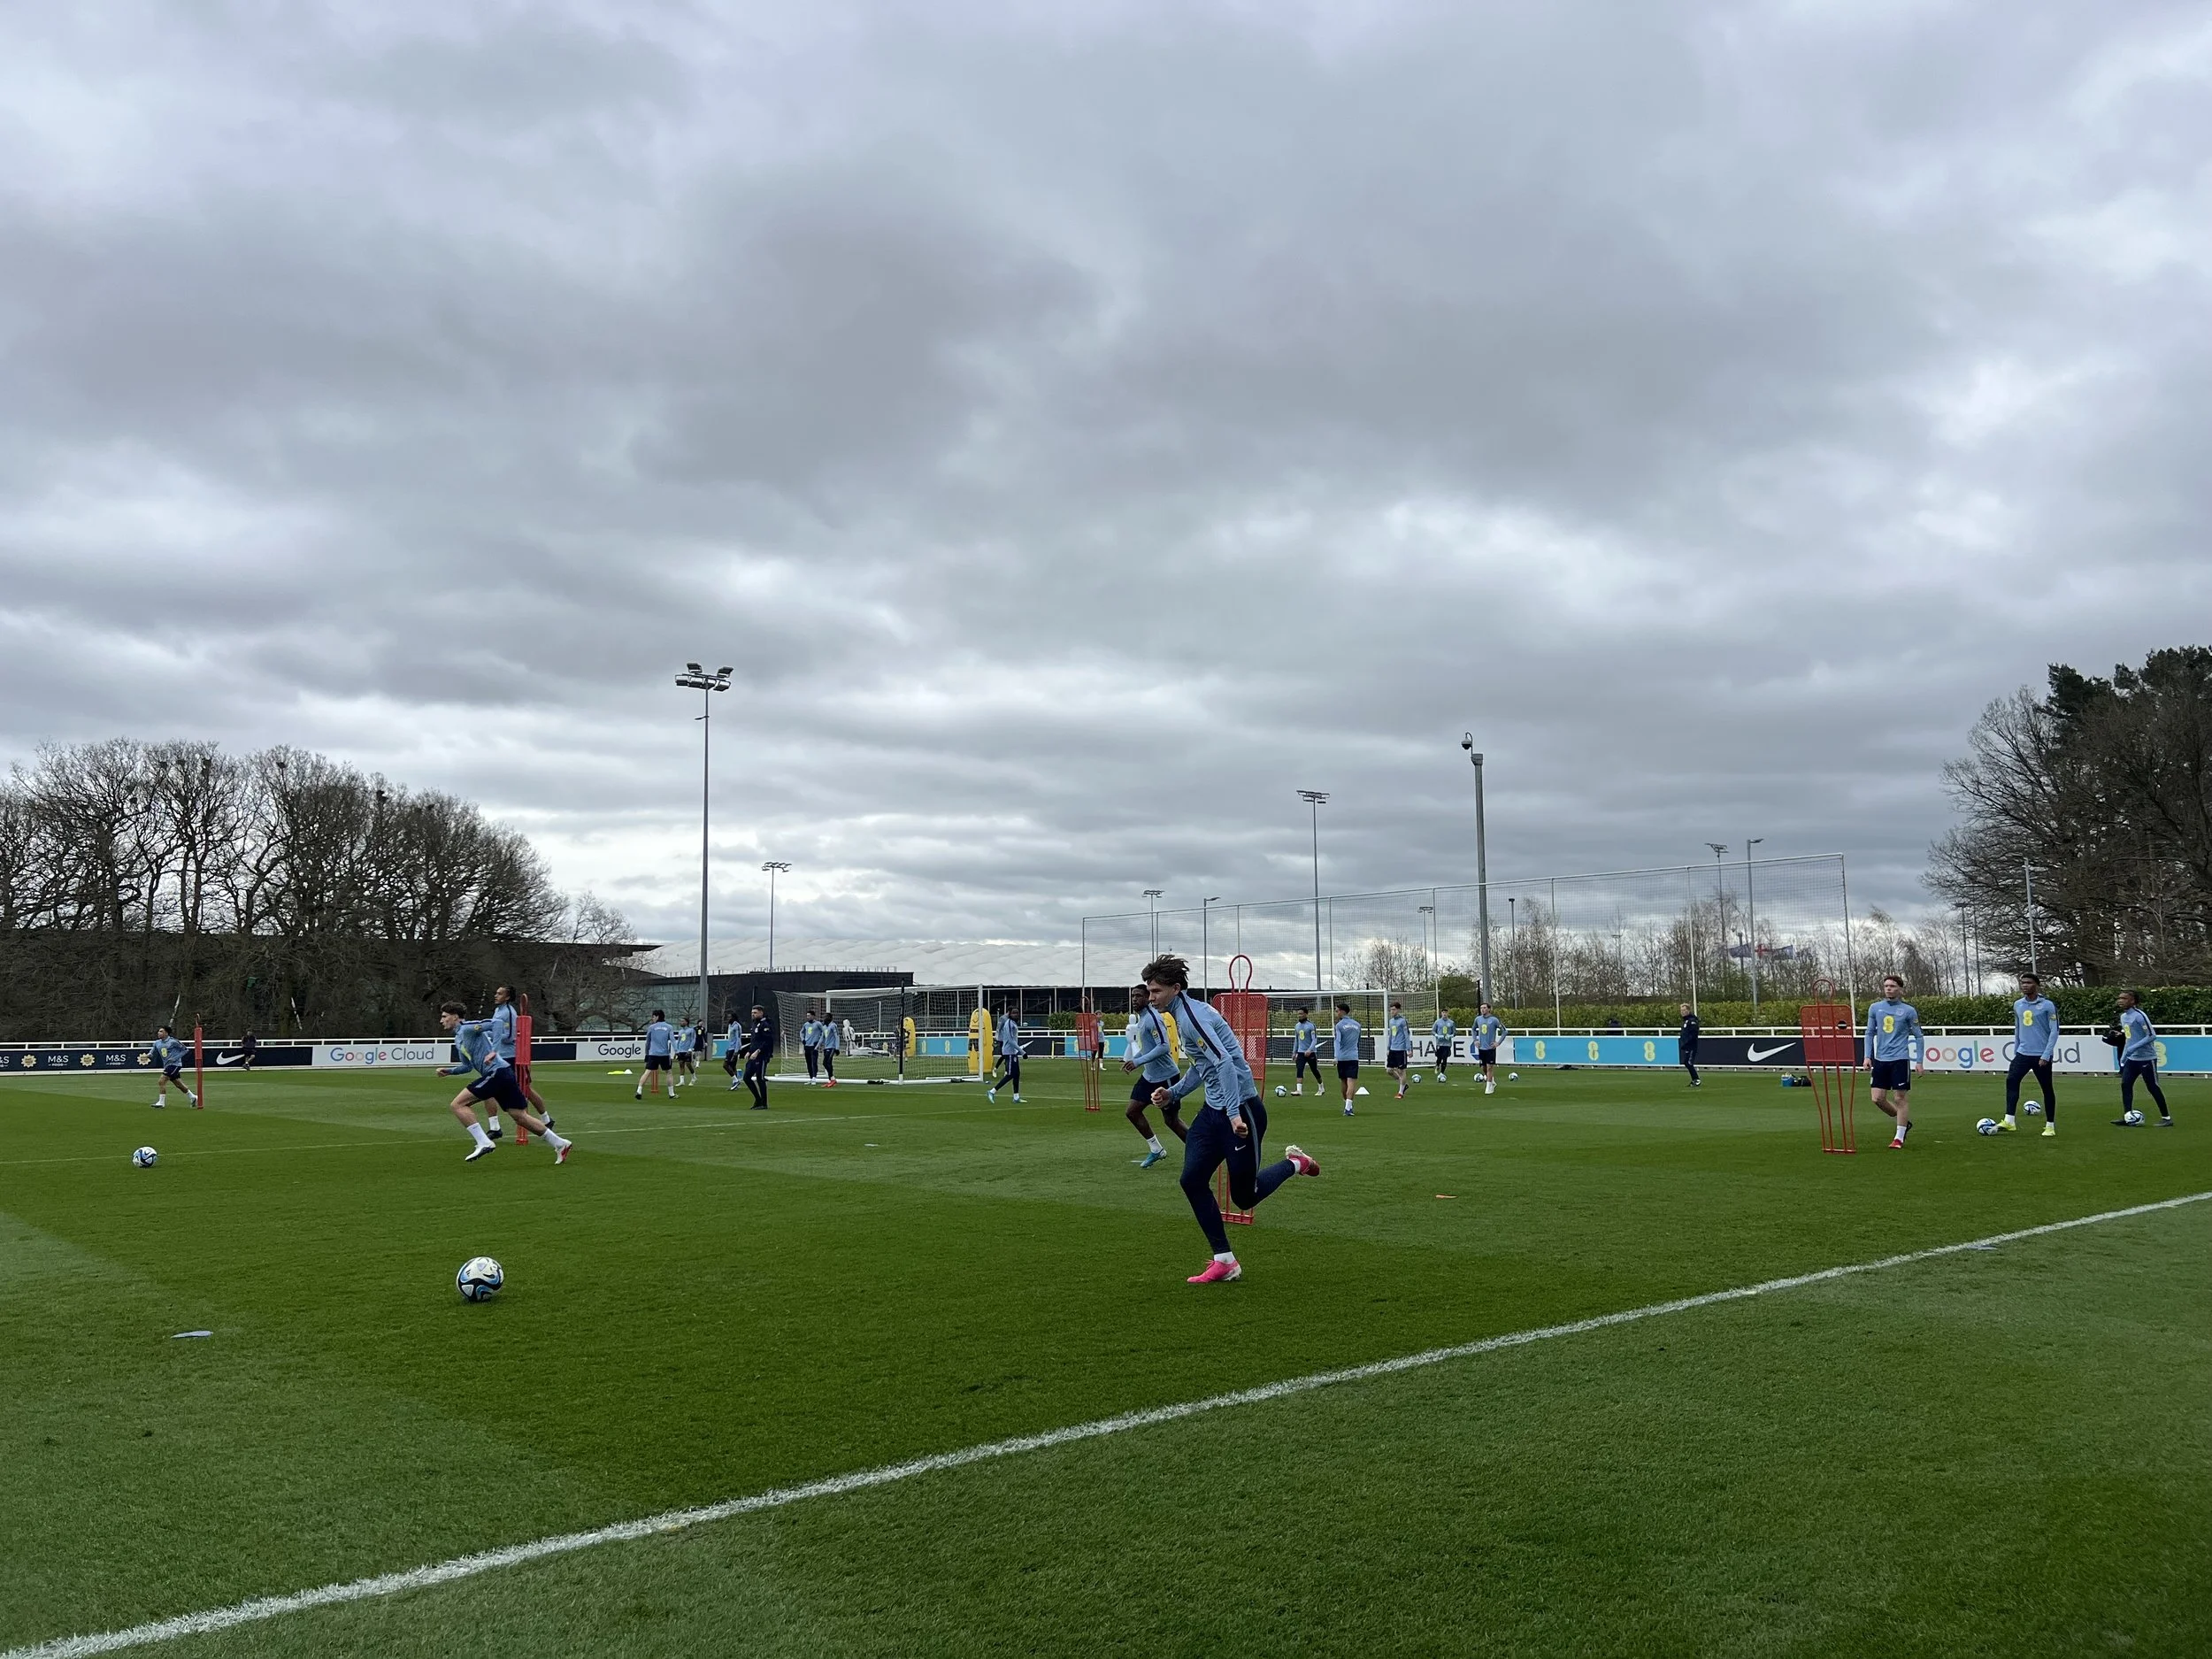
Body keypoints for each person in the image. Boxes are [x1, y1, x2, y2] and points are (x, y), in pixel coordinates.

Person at [1142, 955, 1319, 1283]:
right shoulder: (1183, 1013)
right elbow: (1204, 1066)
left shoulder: (1192, 1018)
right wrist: (1173, 1094)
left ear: (1175, 989)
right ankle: (1224, 1260)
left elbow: (1224, 1063)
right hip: (1213, 1113)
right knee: (1192, 1180)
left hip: (1242, 1111)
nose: (1151, 998)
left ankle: (1296, 1163)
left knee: (1244, 1197)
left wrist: (1234, 1113)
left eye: (1156, 991)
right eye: (1149, 991)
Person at [438, 1002, 571, 1164]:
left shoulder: (468, 1028)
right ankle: (560, 1143)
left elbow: (497, 1023)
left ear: (455, 1017)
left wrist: (494, 1051)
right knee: (520, 1116)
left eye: (444, 1016)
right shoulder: (459, 1038)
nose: (441, 1020)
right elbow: (467, 1066)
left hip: (498, 1073)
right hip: (503, 1074)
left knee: (458, 1105)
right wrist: (449, 1071)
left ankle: (484, 1142)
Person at [1121, 984, 1187, 1167]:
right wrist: (1134, 1060)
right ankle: (1156, 1149)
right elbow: (1148, 1048)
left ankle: (1199, 1151)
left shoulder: (1152, 1018)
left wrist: (1138, 1062)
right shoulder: (1142, 1019)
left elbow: (1164, 1046)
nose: (1135, 999)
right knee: (1132, 1112)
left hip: (1166, 1077)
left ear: (1147, 997)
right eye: (1133, 996)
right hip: (1149, 1077)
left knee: (1171, 1121)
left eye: (1138, 996)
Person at [487, 985, 554, 1137]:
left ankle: (546, 1119)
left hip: (510, 1057)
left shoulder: (509, 1012)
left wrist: (492, 1034)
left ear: (507, 997)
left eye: (499, 994)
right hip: (497, 1056)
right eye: (496, 993)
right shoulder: (498, 1011)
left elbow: (510, 1037)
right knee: (488, 1090)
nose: (496, 996)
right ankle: (494, 1127)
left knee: (525, 1089)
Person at [1864, 974, 1924, 1148]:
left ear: (1900, 989)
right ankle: (1903, 1122)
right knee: (1877, 1099)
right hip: (1880, 1059)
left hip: (1900, 1059)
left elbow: (1918, 1036)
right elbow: (1869, 1033)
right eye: (1886, 986)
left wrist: (1919, 1061)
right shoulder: (1875, 1008)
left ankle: (1899, 1137)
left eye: (1892, 986)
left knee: (1899, 1098)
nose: (1889, 989)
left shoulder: (1908, 1011)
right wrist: (1867, 1056)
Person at [1997, 972, 2059, 1133]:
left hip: (2041, 1055)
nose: (2025, 985)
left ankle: (2050, 1126)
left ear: (2036, 985)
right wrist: (2016, 1050)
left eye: (2029, 982)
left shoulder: (2047, 1005)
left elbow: (2054, 1031)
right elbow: (2018, 1028)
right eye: (2023, 982)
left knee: (2047, 1088)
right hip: (2023, 1053)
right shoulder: (2018, 1004)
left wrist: (2046, 1054)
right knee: (2011, 1080)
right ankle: (2009, 1121)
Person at [2109, 990, 2173, 1127]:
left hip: (2147, 1058)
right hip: (2132, 1059)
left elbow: (2151, 1036)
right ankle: (2128, 1116)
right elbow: (2129, 1037)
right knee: (2125, 1085)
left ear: (2132, 1001)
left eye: (2124, 998)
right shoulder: (2123, 1017)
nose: (2120, 1001)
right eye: (2119, 998)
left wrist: (2134, 1048)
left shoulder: (2139, 1016)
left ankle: (2166, 1117)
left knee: (2152, 1087)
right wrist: (2125, 1055)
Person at [149, 1025, 196, 1109]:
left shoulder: (173, 1042)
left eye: (161, 1031)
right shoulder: (157, 1042)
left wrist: (175, 1058)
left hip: (175, 1065)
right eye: (159, 1031)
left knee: (161, 1081)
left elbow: (185, 1050)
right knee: (178, 1084)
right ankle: (193, 1097)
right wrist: (148, 1055)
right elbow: (152, 1052)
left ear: (166, 1033)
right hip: (167, 1065)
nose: (158, 1033)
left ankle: (161, 1103)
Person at [987, 1004, 1024, 1102]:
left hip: (1013, 1052)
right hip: (1009, 1052)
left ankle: (1016, 1097)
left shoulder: (1013, 1023)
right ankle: (992, 1091)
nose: (1016, 1014)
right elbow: (1011, 1041)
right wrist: (1022, 1052)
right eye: (1014, 1013)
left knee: (1016, 1074)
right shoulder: (1009, 1024)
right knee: (1010, 1074)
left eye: (1017, 1013)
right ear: (1009, 1014)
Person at [740, 1003, 774, 1109]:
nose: (753, 1015)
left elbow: (767, 1041)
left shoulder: (765, 1024)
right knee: (746, 1077)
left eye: (755, 1013)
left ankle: (764, 1103)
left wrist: (758, 1051)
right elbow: (754, 1041)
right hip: (753, 1055)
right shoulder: (755, 1024)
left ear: (761, 1013)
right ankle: (758, 1100)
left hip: (762, 1056)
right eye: (752, 1013)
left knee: (760, 1078)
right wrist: (749, 1051)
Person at [634, 1010, 673, 1099]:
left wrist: (647, 1053)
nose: (652, 1019)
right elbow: (673, 1040)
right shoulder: (669, 1027)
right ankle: (671, 1094)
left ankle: (639, 1090)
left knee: (647, 1072)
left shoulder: (652, 1027)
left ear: (657, 1017)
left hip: (653, 1053)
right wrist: (677, 1051)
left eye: (653, 1017)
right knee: (668, 1072)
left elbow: (648, 1042)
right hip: (664, 1054)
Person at [1333, 1001, 1363, 1111]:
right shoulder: (1357, 1025)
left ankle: (1347, 1105)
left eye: (1337, 1011)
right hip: (1353, 1056)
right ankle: (1348, 1107)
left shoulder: (1339, 1025)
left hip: (1342, 1057)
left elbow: (1337, 1041)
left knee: (1343, 1081)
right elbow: (1358, 1041)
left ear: (1342, 1011)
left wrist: (1336, 1056)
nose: (1336, 1013)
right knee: (1351, 1082)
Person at [1471, 1004, 1504, 1094]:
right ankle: (1491, 1080)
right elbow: (1473, 1029)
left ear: (1489, 1009)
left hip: (1490, 1048)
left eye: (1485, 1008)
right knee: (1484, 1067)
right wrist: (1475, 1040)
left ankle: (1489, 1087)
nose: (1482, 1009)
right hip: (1481, 1048)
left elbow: (1504, 1031)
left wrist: (1498, 1043)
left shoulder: (1494, 1020)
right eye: (1481, 1008)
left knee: (1490, 1067)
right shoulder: (1478, 1019)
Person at [1290, 1006, 1322, 1095]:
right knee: (1299, 1069)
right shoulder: (1297, 1026)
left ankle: (1321, 1087)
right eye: (1298, 1014)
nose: (1299, 1015)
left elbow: (1314, 1040)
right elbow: (1297, 1040)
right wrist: (1294, 1052)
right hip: (1301, 1052)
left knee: (1314, 1070)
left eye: (1301, 1014)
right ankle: (1299, 1090)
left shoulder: (1311, 1026)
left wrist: (1309, 1050)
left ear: (1306, 1014)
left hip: (1310, 1052)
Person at [1386, 1001, 1411, 1098]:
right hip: (1392, 1049)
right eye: (1391, 1010)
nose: (1392, 1011)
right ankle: (1403, 1084)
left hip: (1401, 1049)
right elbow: (1391, 1035)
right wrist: (1388, 1048)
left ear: (1398, 1010)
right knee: (1389, 1070)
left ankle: (1401, 1093)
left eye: (1394, 1009)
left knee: (1401, 1071)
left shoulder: (1403, 1021)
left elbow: (1406, 1035)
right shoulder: (1391, 1021)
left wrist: (1409, 1049)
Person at [1678, 1003, 1701, 1087]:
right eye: (1681, 1010)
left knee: (1688, 1063)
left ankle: (1696, 1079)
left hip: (1691, 1046)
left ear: (1688, 1010)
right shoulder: (1685, 1021)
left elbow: (1693, 1034)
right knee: (1686, 1062)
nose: (1683, 1012)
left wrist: (1688, 1043)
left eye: (1684, 1010)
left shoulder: (1692, 1021)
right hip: (1687, 1046)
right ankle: (1695, 1079)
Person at [672, 1019, 699, 1089]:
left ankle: (693, 1077)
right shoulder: (680, 1031)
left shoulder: (691, 1030)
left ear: (686, 1022)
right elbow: (679, 1041)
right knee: (681, 1064)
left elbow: (693, 1039)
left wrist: (690, 1049)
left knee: (688, 1064)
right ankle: (682, 1081)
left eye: (682, 1021)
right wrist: (676, 1050)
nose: (681, 1022)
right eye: (680, 1021)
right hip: (680, 1050)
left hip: (687, 1050)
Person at [1431, 1010, 1455, 1083]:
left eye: (1446, 1012)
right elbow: (1433, 1031)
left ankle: (1442, 1073)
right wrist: (1437, 1035)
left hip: (1447, 1044)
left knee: (1445, 1058)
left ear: (1448, 1013)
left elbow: (1454, 1032)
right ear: (1441, 1013)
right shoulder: (1437, 1022)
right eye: (1443, 1012)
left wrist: (1450, 1036)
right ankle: (1437, 1065)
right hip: (1439, 1043)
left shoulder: (1451, 1022)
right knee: (1439, 1058)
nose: (1445, 1014)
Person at [818, 1011, 841, 1086]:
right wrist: (816, 1047)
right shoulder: (824, 1027)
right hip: (826, 1047)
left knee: (828, 1062)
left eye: (826, 1017)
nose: (824, 1019)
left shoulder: (833, 1026)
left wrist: (837, 1048)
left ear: (830, 1018)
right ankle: (831, 1079)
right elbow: (822, 1038)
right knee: (825, 1063)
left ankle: (832, 1079)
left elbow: (837, 1036)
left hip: (832, 1047)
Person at [801, 1010, 823, 1081]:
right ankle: (811, 1077)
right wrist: (803, 1039)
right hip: (807, 1046)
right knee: (808, 1062)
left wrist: (819, 1042)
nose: (808, 1017)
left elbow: (823, 1032)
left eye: (809, 1016)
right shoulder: (806, 1024)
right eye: (807, 1016)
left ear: (813, 1016)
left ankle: (814, 1077)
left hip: (814, 1046)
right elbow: (801, 1032)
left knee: (814, 1062)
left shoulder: (818, 1024)